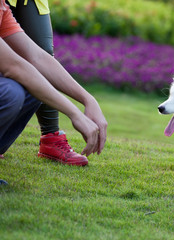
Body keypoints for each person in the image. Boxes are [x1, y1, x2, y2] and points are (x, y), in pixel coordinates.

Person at [0, 0, 107, 172]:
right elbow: (14, 67)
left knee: (36, 84)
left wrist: (89, 100)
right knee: (12, 92)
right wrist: (75, 114)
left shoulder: (2, 8)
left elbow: (37, 57)